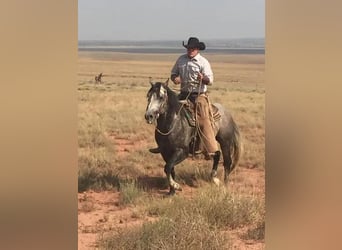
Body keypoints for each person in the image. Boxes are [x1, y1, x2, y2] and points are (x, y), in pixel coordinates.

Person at [149, 37, 219, 157]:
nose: (190, 50)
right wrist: (175, 78)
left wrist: (203, 78)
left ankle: (210, 149)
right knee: (166, 112)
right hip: (183, 93)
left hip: (198, 95)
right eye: (188, 48)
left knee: (203, 119)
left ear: (197, 49)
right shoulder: (181, 59)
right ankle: (163, 144)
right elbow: (173, 73)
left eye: (192, 48)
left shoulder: (203, 62)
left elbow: (210, 80)